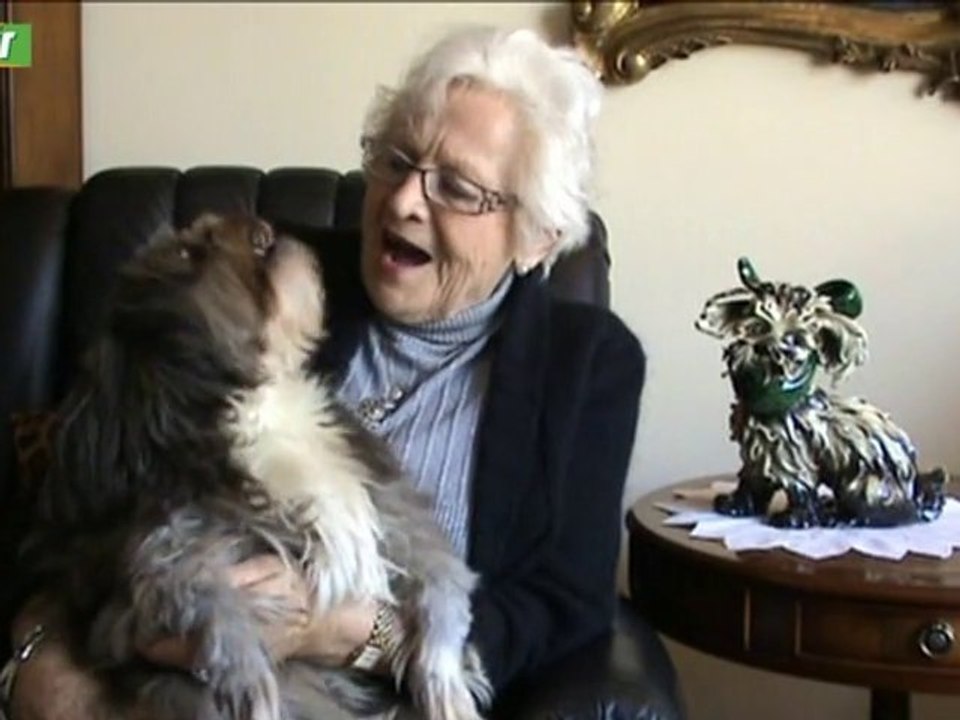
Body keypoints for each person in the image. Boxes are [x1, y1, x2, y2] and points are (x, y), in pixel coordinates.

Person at [3, 25, 646, 719]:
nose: (403, 201)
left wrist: (351, 632)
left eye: (456, 188)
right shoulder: (274, 283)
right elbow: (92, 493)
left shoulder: (583, 365)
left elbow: (563, 606)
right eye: (396, 160)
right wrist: (39, 658)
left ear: (536, 236)